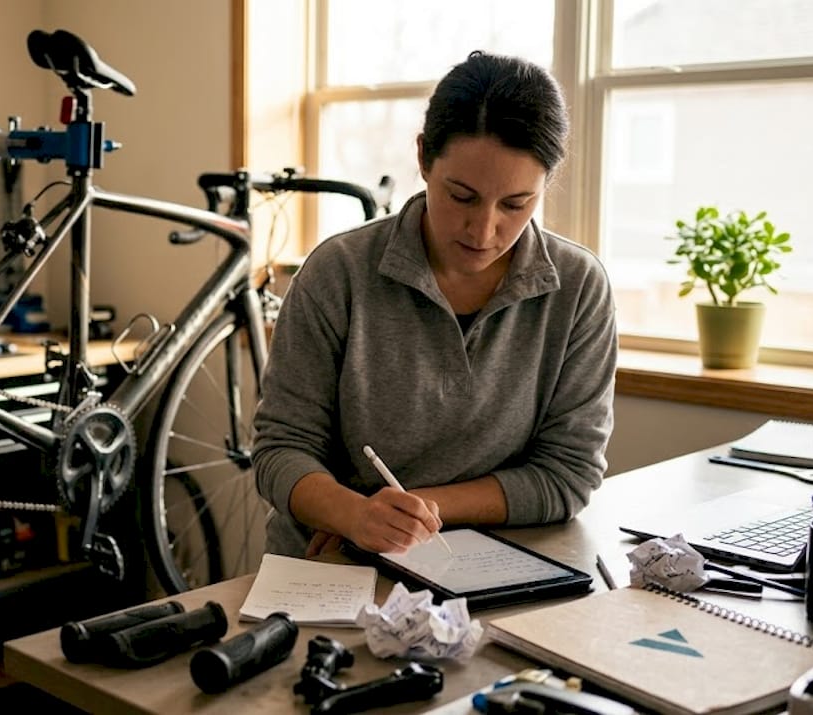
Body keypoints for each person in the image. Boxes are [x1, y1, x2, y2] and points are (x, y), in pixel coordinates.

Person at [253, 50, 617, 559]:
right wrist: (353, 515)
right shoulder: (338, 273)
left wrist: (409, 511)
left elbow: (567, 476)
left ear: (545, 185)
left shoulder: (578, 288)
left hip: (491, 565)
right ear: (424, 158)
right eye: (462, 196)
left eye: (516, 204)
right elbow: (279, 452)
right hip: (331, 561)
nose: (484, 230)